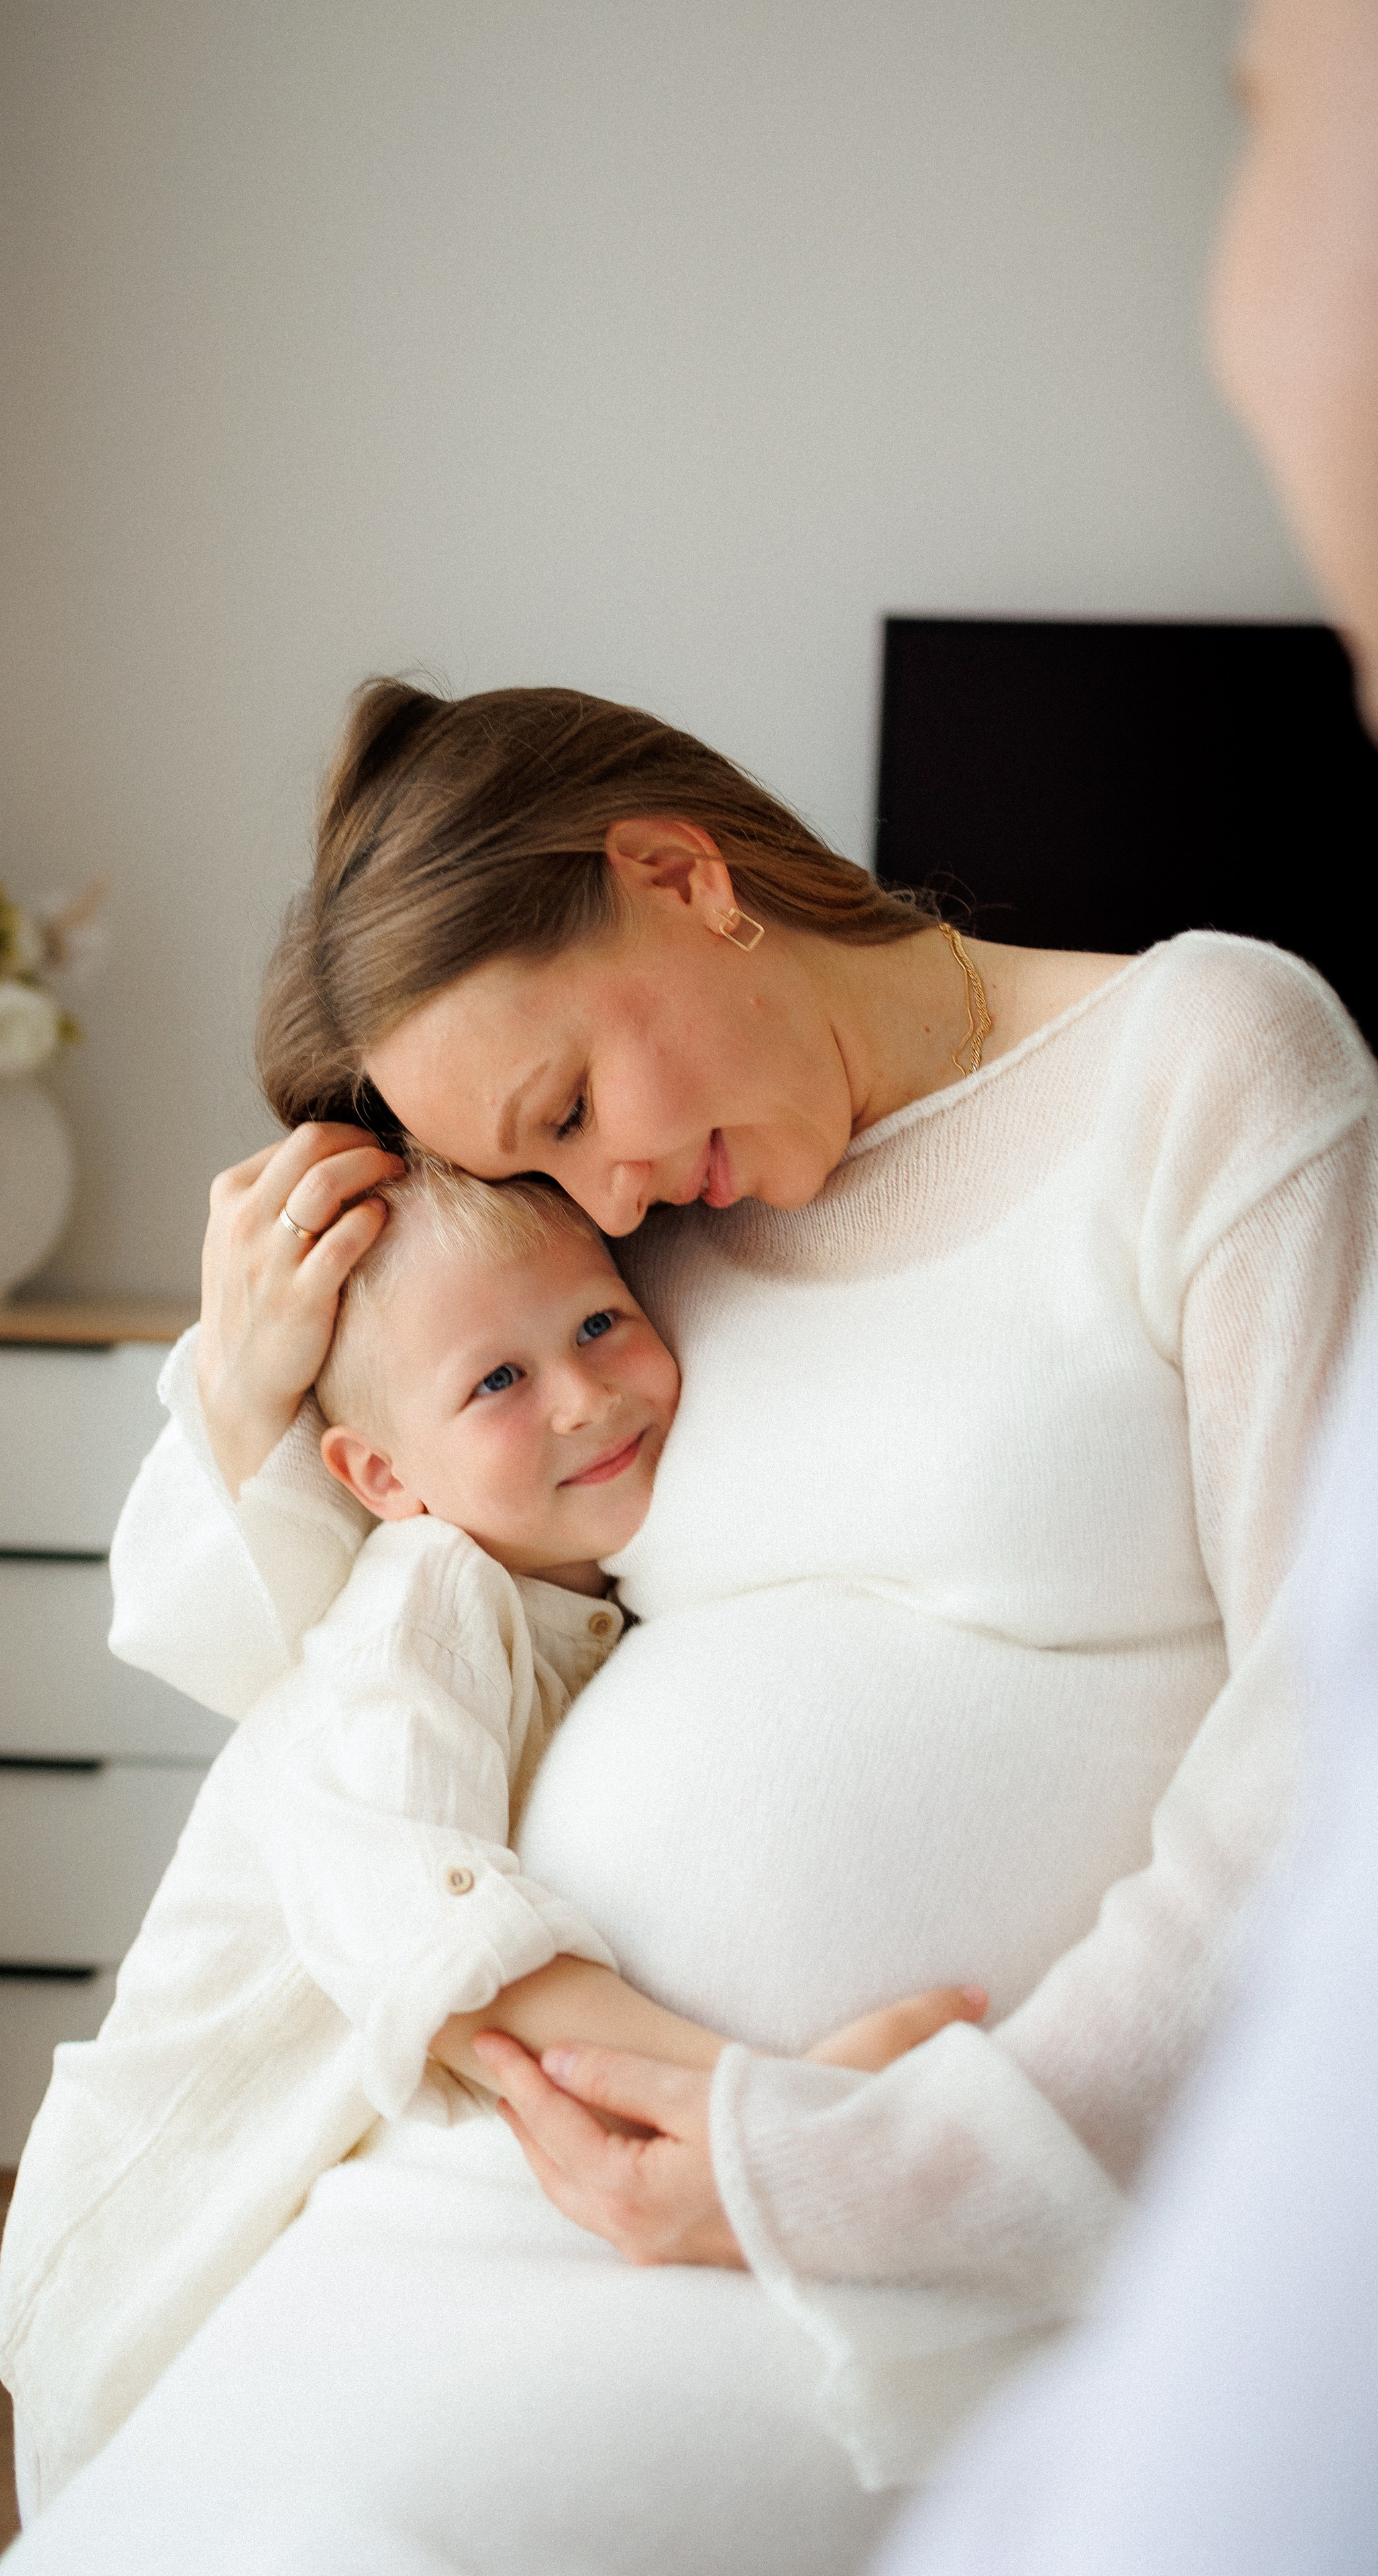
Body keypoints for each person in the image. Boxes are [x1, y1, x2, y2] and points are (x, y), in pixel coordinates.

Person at [0, 644, 1377, 2576]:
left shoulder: (1210, 1066)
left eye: (572, 1097)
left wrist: (895, 2170)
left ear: (684, 875)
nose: (603, 1193)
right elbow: (322, 1649)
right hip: (500, 2153)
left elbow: (1332, 1773)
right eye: (531, 1157)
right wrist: (240, 1384)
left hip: (882, 2227)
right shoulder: (645, 1240)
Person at [0, 1157, 982, 2518]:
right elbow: (436, 1939)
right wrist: (778, 2104)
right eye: (496, 1383)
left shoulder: (576, 1581)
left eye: (593, 1325)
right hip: (163, 2220)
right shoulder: (429, 1599)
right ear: (380, 1475)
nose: (583, 1396)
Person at [859, 1, 1378, 2565]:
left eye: (1268, 111)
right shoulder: (697, 1231)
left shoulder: (1224, 1052)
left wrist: (944, 2144)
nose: (1226, 301)